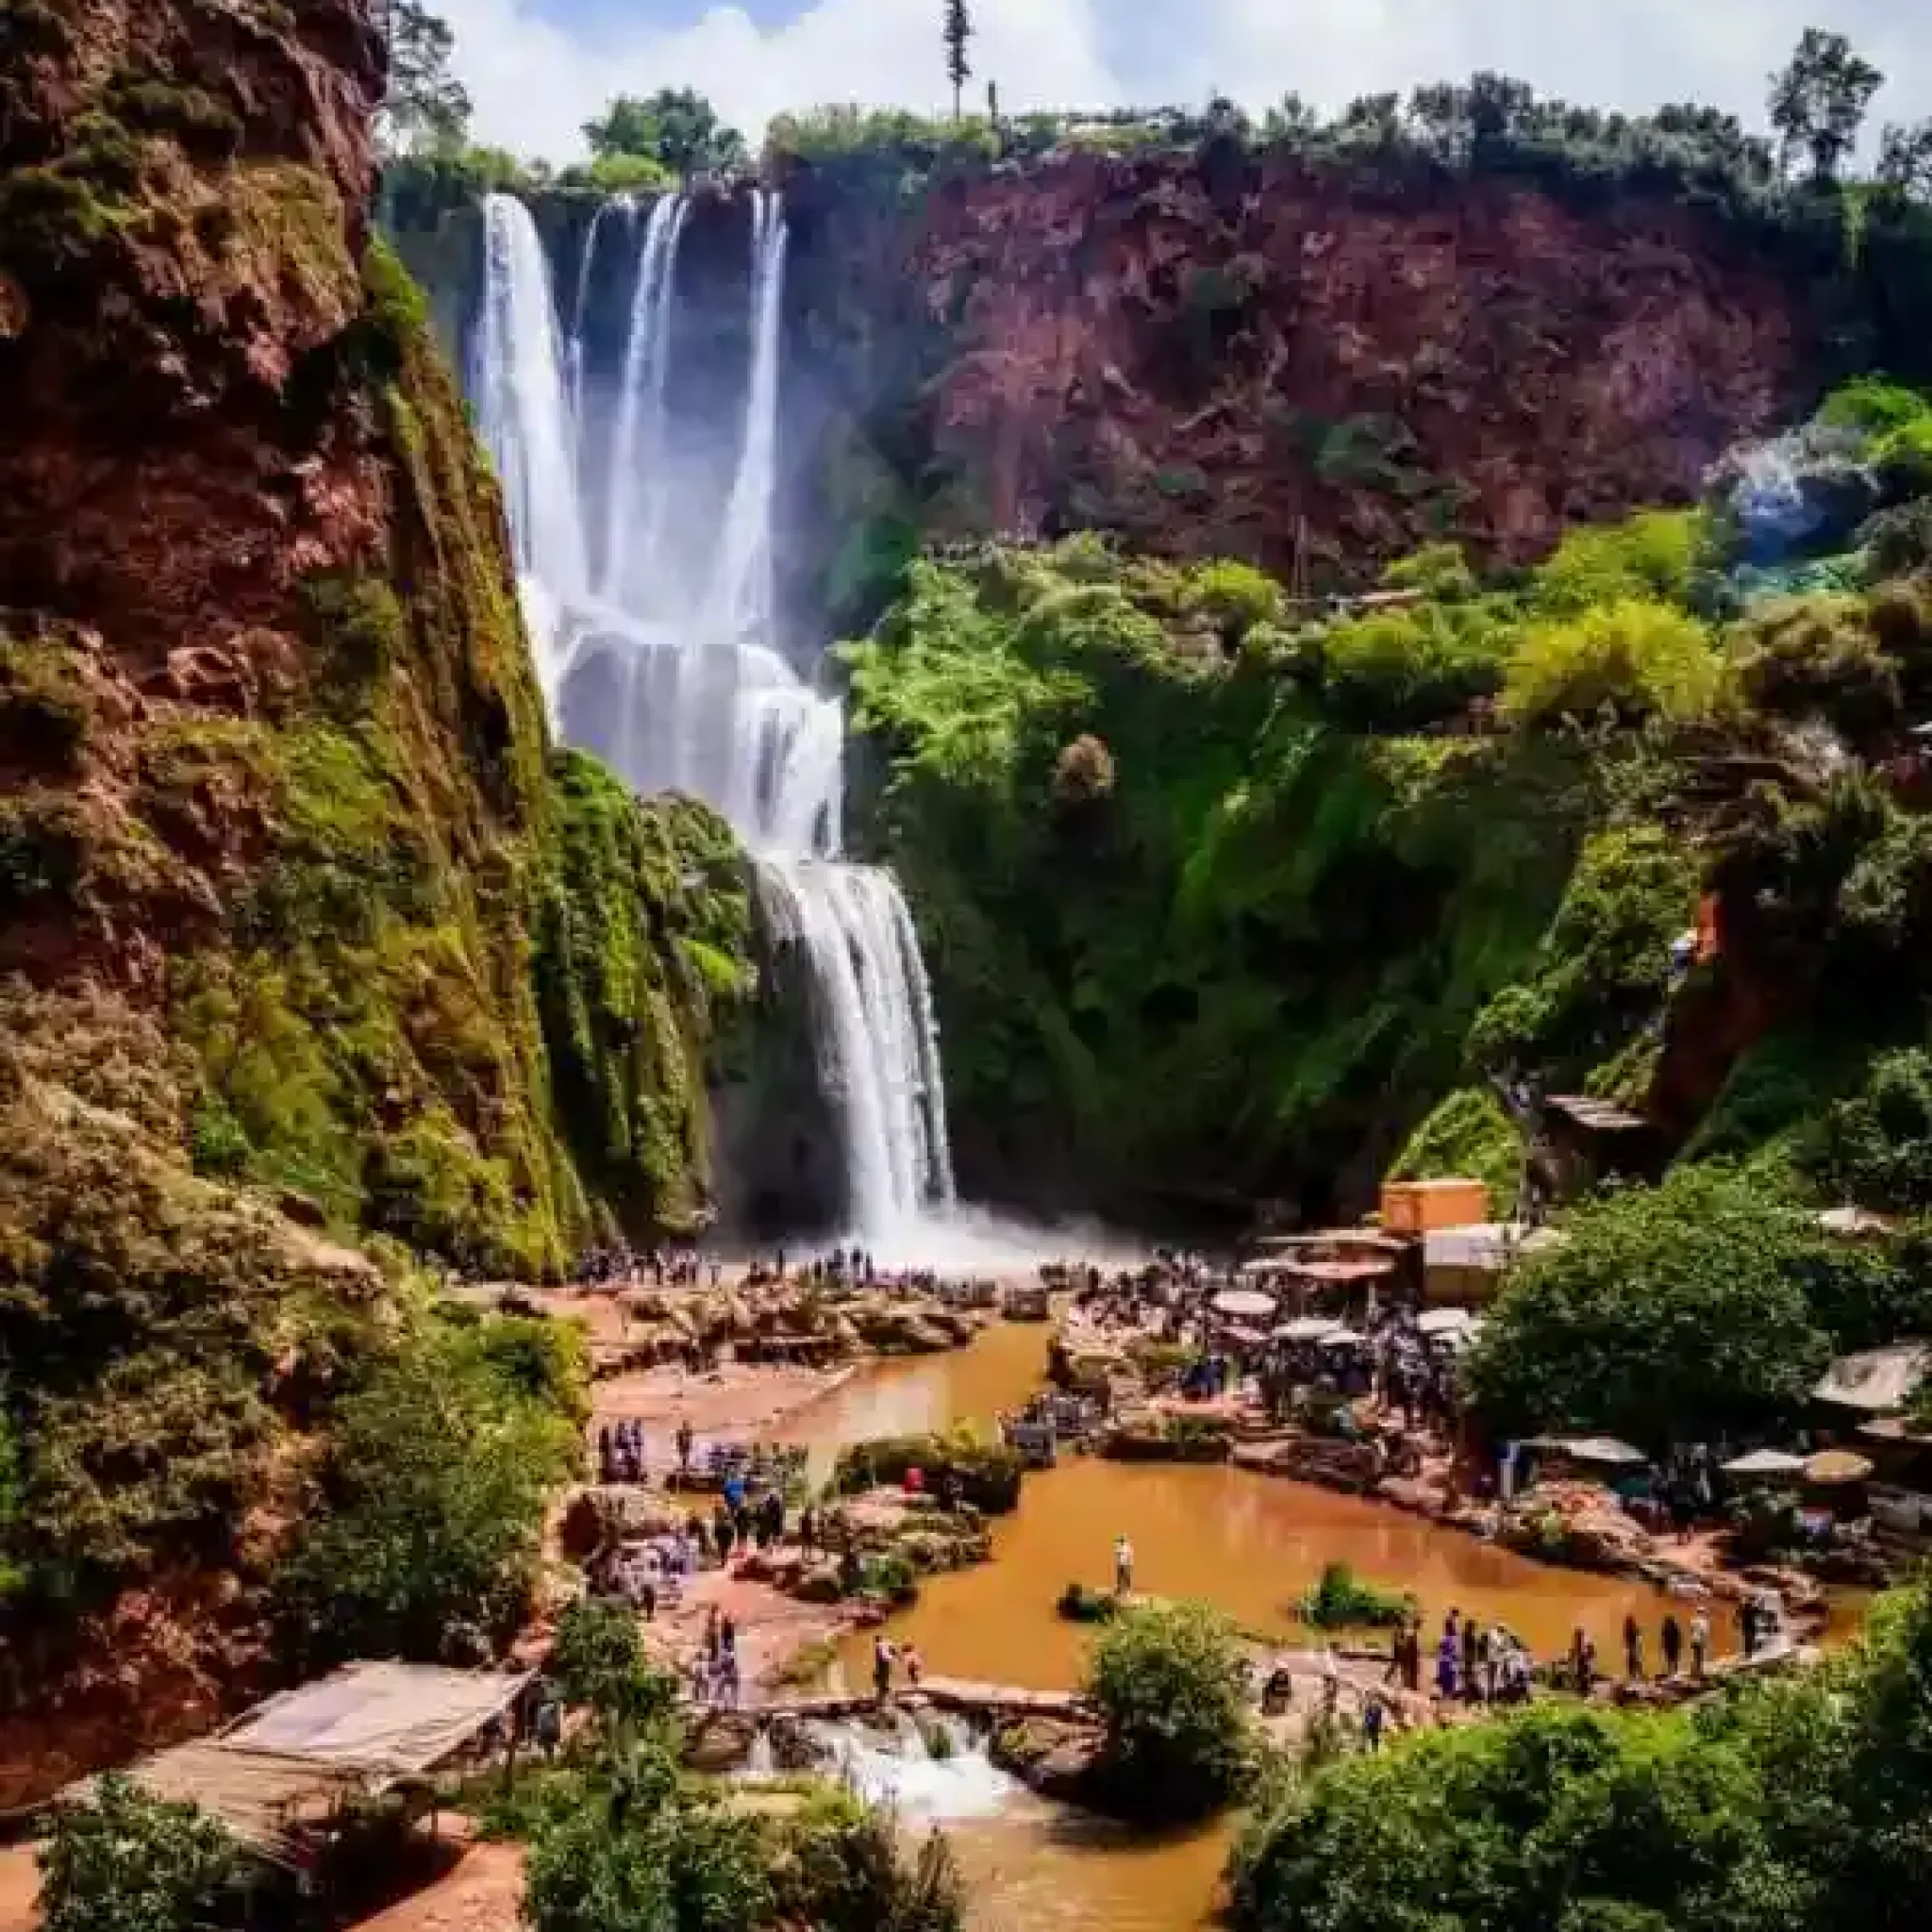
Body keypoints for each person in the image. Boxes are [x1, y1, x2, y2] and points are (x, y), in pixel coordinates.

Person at [1660, 1612, 1683, 1679]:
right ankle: (1672, 1672)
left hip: (1672, 1646)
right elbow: (1663, 1637)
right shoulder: (1671, 1627)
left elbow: (1678, 1636)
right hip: (1671, 1646)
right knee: (1671, 1660)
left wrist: (1663, 1645)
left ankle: (1674, 1672)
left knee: (1673, 1660)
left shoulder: (1671, 1627)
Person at [1690, 1607, 1710, 1678]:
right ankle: (1699, 1672)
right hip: (1700, 1640)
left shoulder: (1693, 1620)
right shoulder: (1704, 1622)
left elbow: (1691, 1630)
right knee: (1700, 1656)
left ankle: (1694, 1671)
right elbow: (1705, 1632)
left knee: (1695, 1655)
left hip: (1694, 1640)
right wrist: (1705, 1641)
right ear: (1703, 1612)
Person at [874, 1636, 894, 1701]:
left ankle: (883, 1690)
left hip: (882, 1662)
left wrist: (877, 1666)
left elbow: (878, 1657)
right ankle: (884, 1689)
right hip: (886, 1660)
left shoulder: (878, 1645)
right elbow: (892, 1650)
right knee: (886, 1675)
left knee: (883, 1676)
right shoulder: (886, 1643)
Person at [1113, 1533, 1135, 1597]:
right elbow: (1116, 1554)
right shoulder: (1119, 1547)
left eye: (1123, 1540)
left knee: (1127, 1577)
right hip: (1120, 1564)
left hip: (1126, 1564)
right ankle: (1119, 1591)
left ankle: (1128, 1591)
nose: (1122, 1541)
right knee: (1119, 1578)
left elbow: (1130, 1556)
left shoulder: (1128, 1547)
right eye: (1122, 1540)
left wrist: (1131, 1564)